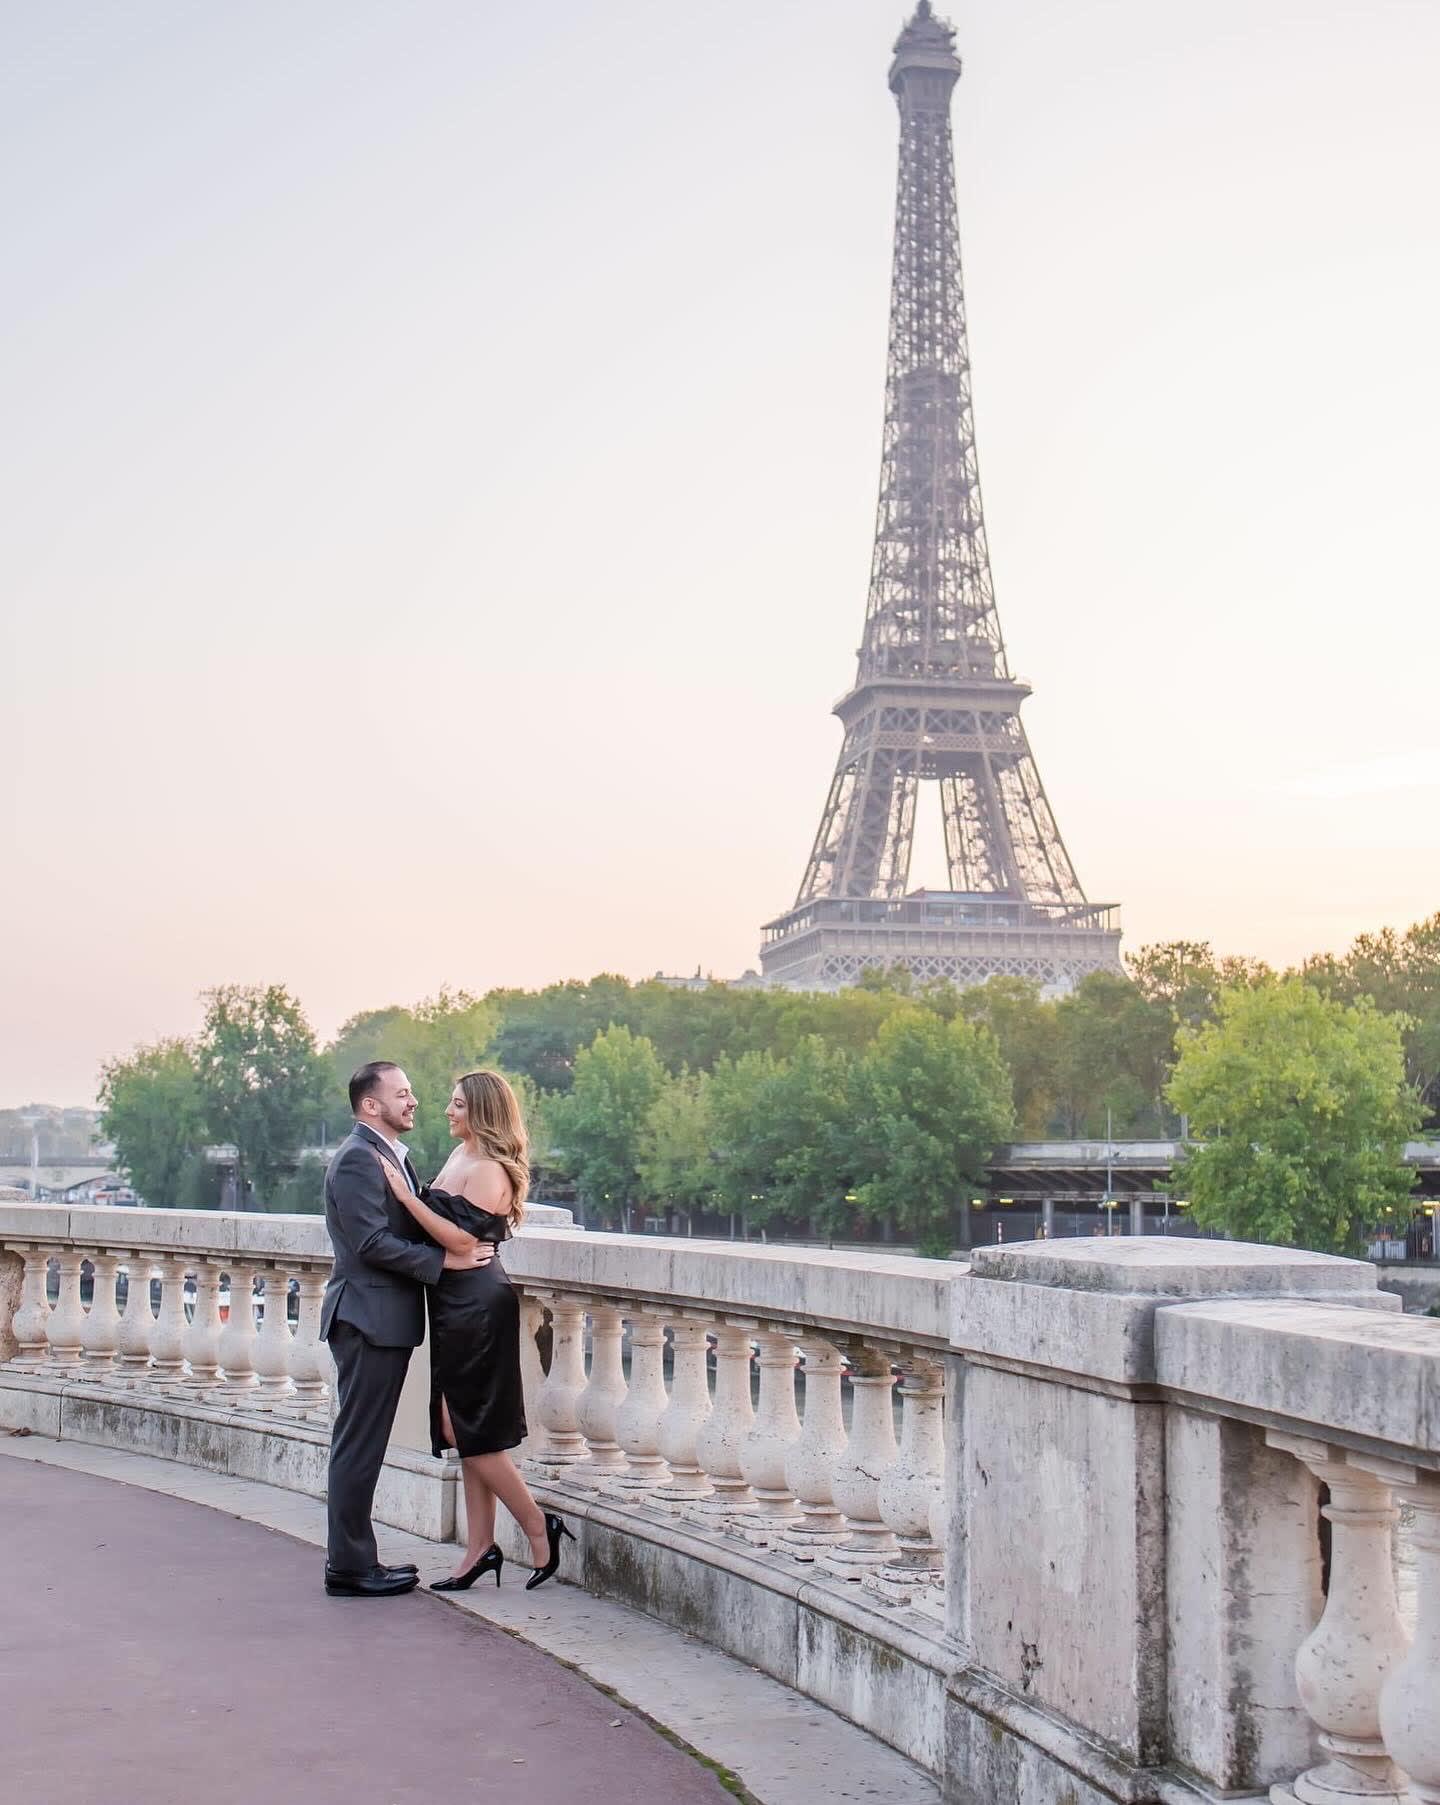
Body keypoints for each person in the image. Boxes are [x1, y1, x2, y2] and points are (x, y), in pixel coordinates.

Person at [374, 1068, 573, 1592]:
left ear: (481, 1111)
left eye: (457, 1104)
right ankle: (481, 1546)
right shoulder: (461, 1155)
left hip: (478, 1305)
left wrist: (407, 1195)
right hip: (451, 1303)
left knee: (470, 1426)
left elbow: (462, 1244)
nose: (446, 1110)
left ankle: (538, 1529)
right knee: (456, 1425)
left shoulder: (489, 1169)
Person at [320, 1061, 491, 1598]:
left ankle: (353, 1561)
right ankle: (349, 1567)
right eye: (403, 1093)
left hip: (381, 1320)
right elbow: (370, 1244)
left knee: (363, 1443)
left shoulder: (389, 1156)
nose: (413, 1101)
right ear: (372, 1105)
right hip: (367, 1320)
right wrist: (446, 1263)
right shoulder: (356, 1160)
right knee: (358, 1445)